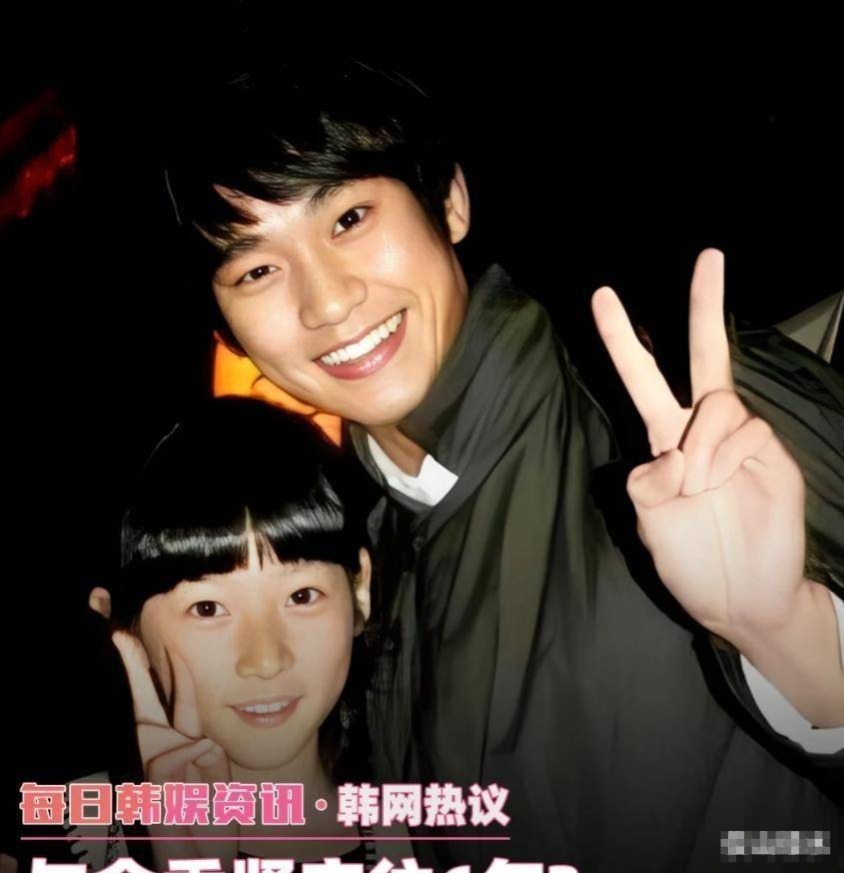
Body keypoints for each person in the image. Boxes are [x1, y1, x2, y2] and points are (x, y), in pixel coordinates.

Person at [163, 59, 844, 872]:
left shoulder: (681, 404)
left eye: (349, 218)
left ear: (449, 201)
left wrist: (789, 632)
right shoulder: (369, 561)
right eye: (256, 269)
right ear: (229, 329)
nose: (328, 301)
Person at [88, 396, 388, 870]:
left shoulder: (443, 825)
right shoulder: (69, 832)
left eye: (302, 596)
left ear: (359, 592)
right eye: (207, 608)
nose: (265, 660)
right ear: (127, 627)